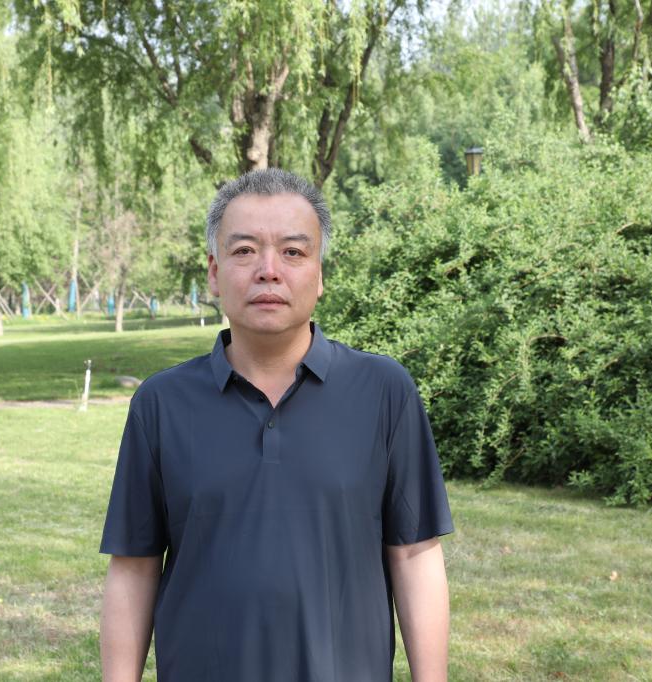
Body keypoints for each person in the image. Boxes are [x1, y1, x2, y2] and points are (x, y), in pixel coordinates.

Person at [99, 168, 454, 682]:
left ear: (320, 273)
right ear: (214, 273)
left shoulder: (384, 391)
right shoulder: (161, 404)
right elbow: (134, 567)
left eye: (293, 252)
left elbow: (416, 553)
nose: (269, 270)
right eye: (245, 250)